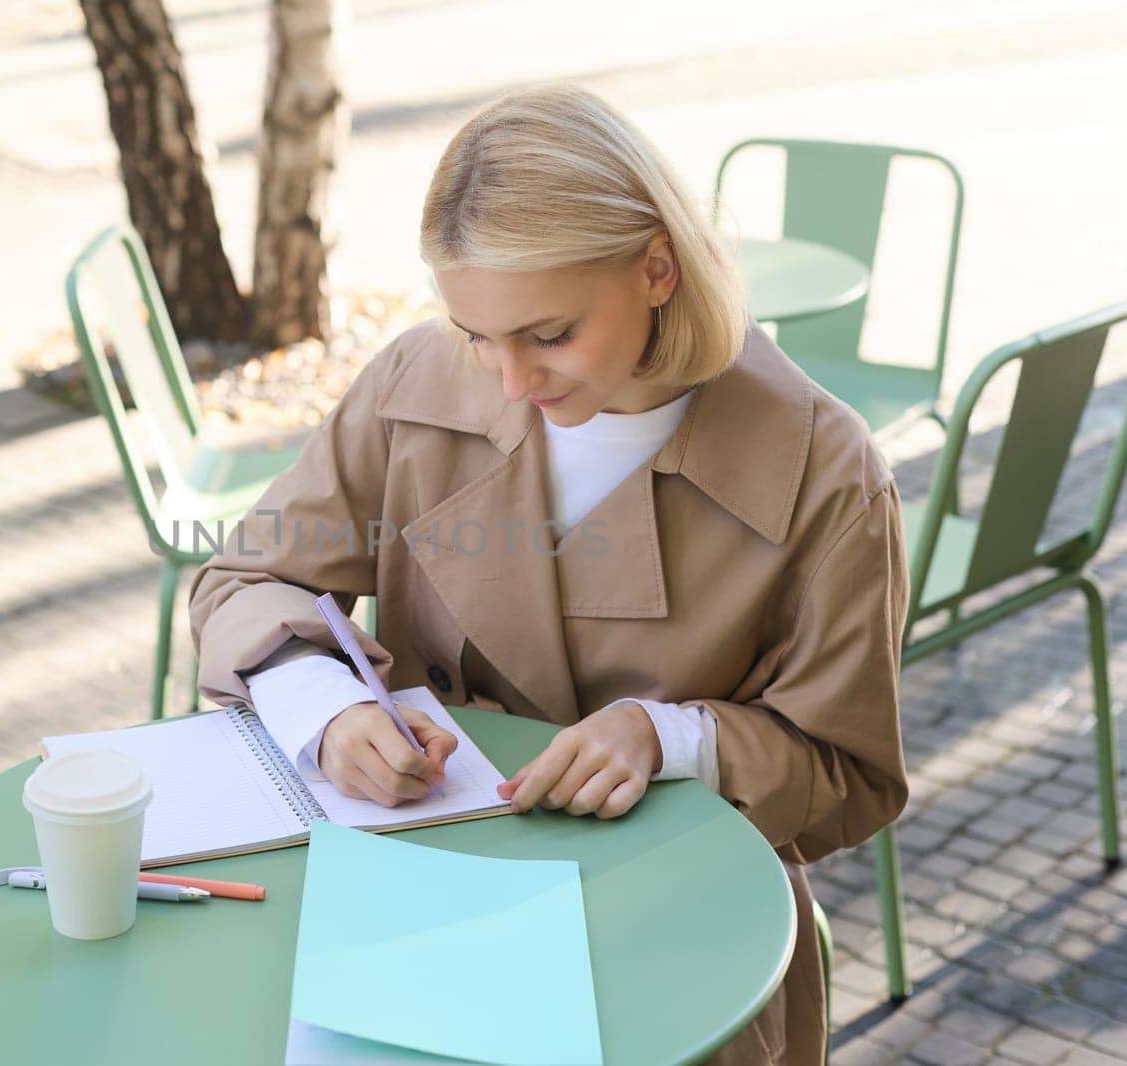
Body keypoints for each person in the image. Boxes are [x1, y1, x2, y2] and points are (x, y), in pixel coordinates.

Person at [190, 83, 908, 1064]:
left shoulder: (826, 470)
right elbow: (242, 582)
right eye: (478, 334)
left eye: (548, 333)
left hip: (674, 943)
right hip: (409, 919)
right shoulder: (416, 380)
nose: (512, 383)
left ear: (657, 267)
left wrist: (670, 736)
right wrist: (325, 709)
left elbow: (848, 776)